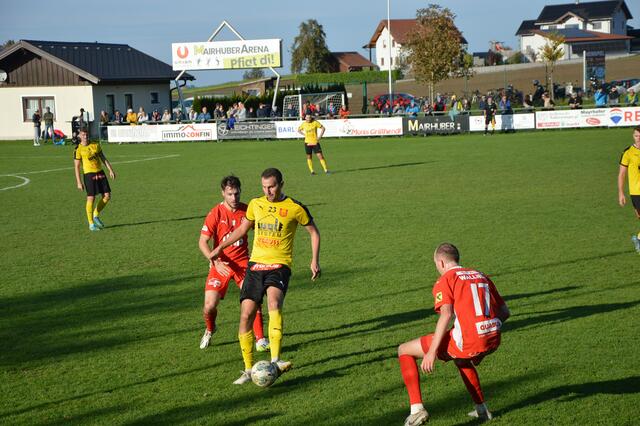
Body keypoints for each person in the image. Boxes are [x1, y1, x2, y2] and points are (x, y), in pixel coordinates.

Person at [210, 168, 321, 385]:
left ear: (281, 184)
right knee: (246, 315)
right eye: (264, 187)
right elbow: (242, 230)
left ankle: (276, 360)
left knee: (273, 303)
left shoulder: (295, 207)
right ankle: (248, 369)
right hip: (255, 266)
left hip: (279, 265)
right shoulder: (255, 204)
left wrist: (314, 260)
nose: (267, 191)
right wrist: (221, 246)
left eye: (271, 186)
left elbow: (314, 232)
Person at [398, 243, 510, 426]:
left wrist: (431, 352)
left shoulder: (445, 280)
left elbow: (446, 314)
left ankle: (417, 410)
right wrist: (485, 334)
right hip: (493, 339)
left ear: (441, 262)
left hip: (469, 342)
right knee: (461, 359)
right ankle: (482, 410)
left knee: (404, 350)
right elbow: (505, 312)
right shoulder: (481, 275)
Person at [198, 176, 269, 351]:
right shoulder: (216, 213)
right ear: (223, 193)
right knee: (209, 306)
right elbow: (202, 242)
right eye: (230, 194)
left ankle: (260, 339)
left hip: (243, 263)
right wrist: (214, 261)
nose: (234, 198)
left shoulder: (247, 210)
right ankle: (210, 328)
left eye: (236, 194)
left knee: (253, 298)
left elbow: (261, 232)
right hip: (221, 264)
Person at [73, 128, 116, 231]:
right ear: (79, 136)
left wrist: (110, 170)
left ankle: (96, 214)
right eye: (83, 135)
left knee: (107, 196)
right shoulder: (78, 149)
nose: (85, 136)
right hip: (89, 174)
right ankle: (91, 224)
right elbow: (77, 167)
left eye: (86, 134)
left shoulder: (95, 145)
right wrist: (79, 182)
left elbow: (103, 158)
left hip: (100, 172)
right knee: (91, 198)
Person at [618, 126, 640, 253]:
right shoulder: (628, 152)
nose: (638, 138)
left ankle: (638, 239)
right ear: (633, 136)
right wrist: (621, 193)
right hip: (636, 192)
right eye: (636, 136)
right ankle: (638, 239)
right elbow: (622, 174)